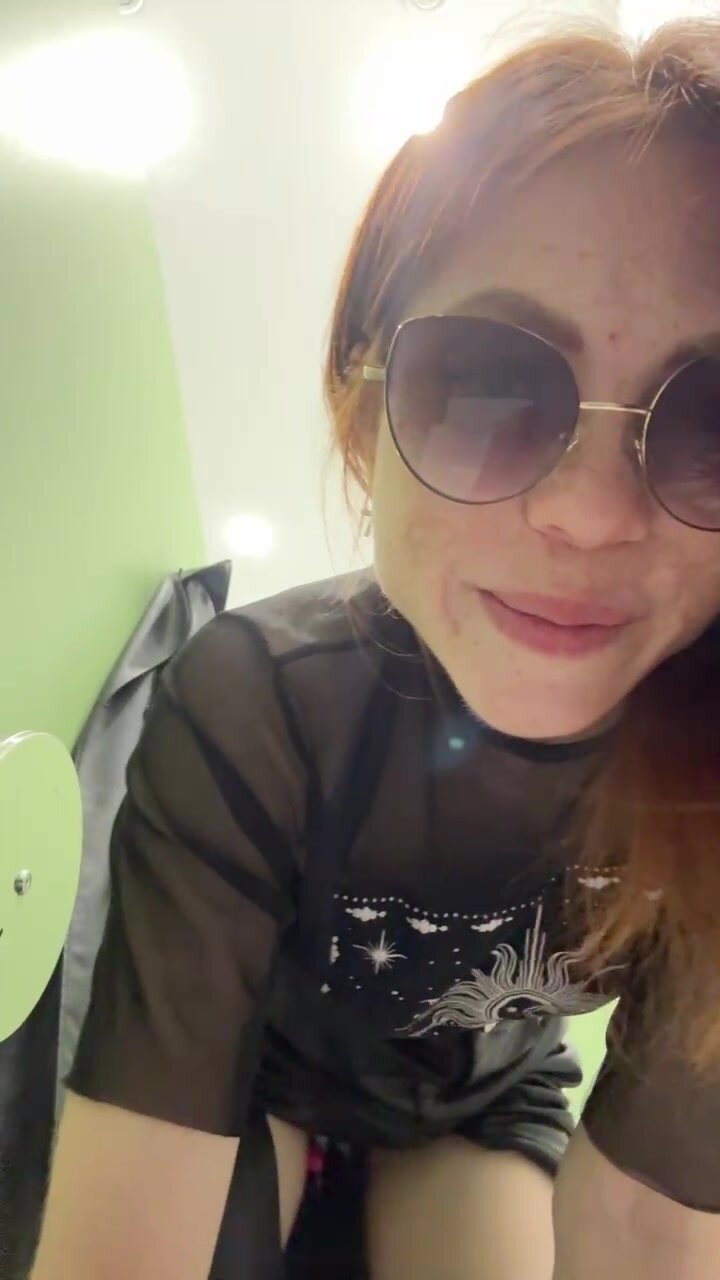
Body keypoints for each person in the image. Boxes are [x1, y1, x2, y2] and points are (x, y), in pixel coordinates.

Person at [32, 16, 720, 1280]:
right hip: (262, 1069)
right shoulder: (258, 699)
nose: (588, 515)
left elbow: (652, 1224)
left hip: (478, 1103)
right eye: (488, 385)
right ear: (363, 414)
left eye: (712, 421)